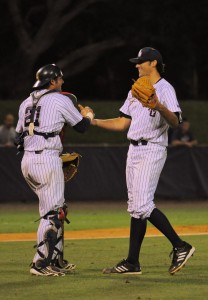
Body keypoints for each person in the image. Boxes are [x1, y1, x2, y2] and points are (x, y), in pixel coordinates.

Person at [92, 47, 195, 275]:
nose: (137, 65)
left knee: (142, 205)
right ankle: (132, 262)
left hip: (152, 148)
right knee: (135, 208)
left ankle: (181, 245)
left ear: (154, 63)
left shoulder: (165, 88)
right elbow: (122, 123)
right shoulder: (136, 89)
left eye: (141, 62)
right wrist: (94, 122)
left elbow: (175, 122)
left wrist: (158, 105)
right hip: (134, 149)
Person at [15, 63, 94, 276]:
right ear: (52, 81)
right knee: (52, 214)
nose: (62, 82)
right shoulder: (60, 99)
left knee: (58, 210)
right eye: (60, 79)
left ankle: (56, 259)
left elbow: (17, 137)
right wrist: (88, 114)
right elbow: (82, 127)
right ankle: (40, 264)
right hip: (46, 159)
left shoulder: (25, 103)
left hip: (28, 161)